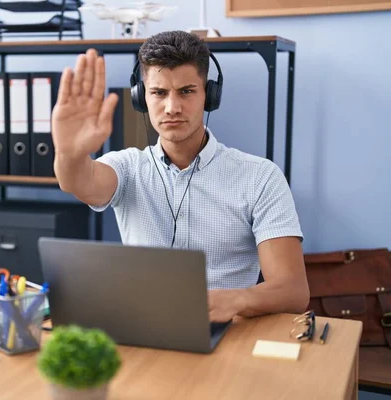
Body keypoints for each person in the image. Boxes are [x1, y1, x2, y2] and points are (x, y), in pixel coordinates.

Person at [51, 30, 309, 322]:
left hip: (227, 332)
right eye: (159, 93)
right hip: (144, 327)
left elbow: (293, 291)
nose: (172, 107)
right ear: (141, 97)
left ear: (209, 96)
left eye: (186, 91)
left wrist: (236, 300)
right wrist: (69, 154)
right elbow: (78, 181)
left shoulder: (260, 177)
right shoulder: (127, 167)